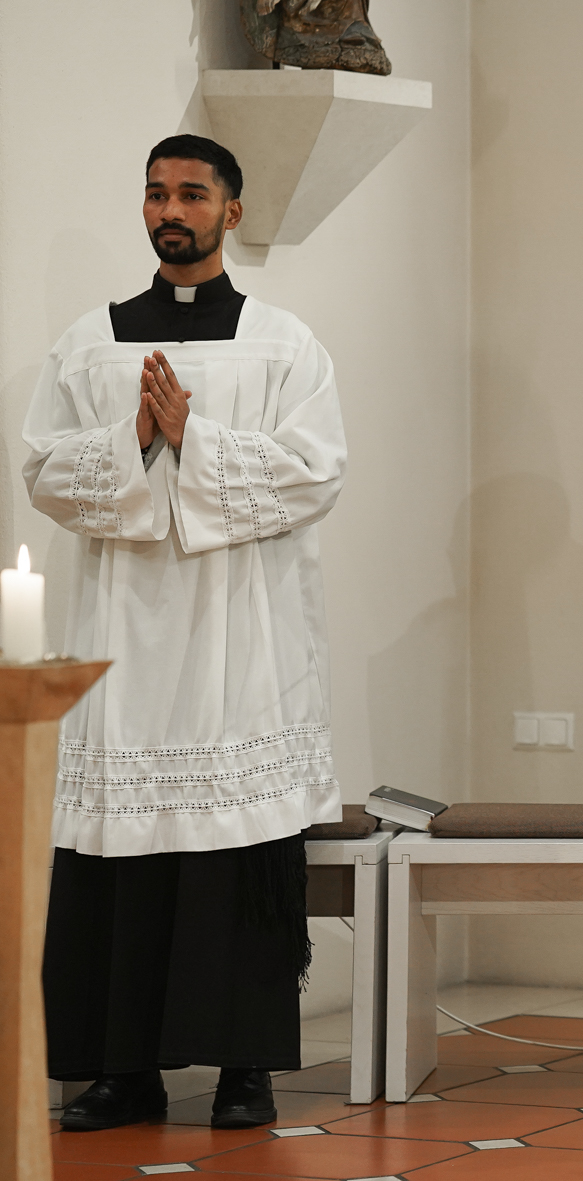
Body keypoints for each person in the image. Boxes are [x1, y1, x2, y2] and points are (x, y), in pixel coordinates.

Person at [24, 135, 347, 1132]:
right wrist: (132, 438)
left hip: (238, 639)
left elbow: (317, 472)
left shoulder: (284, 343)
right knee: (118, 853)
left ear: (230, 212)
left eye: (193, 194)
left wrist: (191, 438)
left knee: (236, 845)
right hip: (122, 639)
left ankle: (245, 1067)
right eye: (158, 193)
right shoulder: (90, 344)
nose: (172, 209)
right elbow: (42, 471)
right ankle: (124, 1071)